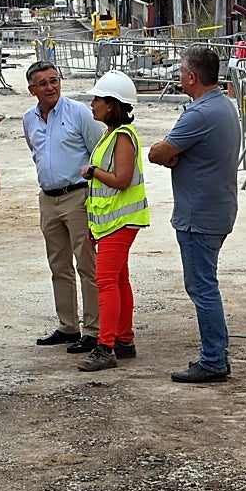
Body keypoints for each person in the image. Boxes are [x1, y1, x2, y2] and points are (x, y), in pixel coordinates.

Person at [147, 45, 241, 383]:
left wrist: (172, 154)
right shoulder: (223, 105)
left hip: (198, 215)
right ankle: (216, 354)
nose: (178, 77)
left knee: (202, 287)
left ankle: (213, 360)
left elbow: (158, 153)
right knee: (205, 284)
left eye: (181, 72)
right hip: (215, 208)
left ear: (191, 76)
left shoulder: (199, 114)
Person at [22, 61, 104, 355]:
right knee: (58, 265)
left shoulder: (79, 113)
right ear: (32, 90)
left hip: (78, 197)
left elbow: (98, 152)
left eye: (54, 80)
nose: (50, 87)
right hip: (48, 199)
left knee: (87, 265)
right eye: (42, 83)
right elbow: (37, 154)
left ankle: (94, 330)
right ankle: (68, 326)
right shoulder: (28, 119)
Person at [77, 71, 150, 372]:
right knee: (118, 280)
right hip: (111, 222)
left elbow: (121, 180)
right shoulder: (112, 134)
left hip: (120, 222)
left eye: (97, 99)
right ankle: (123, 339)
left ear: (111, 104)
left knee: (106, 282)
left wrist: (93, 172)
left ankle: (106, 346)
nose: (92, 104)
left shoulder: (121, 137)